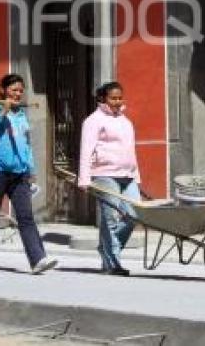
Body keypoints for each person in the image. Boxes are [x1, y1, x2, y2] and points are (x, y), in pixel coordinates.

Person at [0, 74, 58, 275]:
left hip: (19, 173)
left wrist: (30, 170)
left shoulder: (21, 113)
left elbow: (26, 143)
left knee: (25, 216)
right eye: (14, 89)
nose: (18, 93)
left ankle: (37, 259)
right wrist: (1, 113)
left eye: (21, 90)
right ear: (3, 90)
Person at [77, 81, 141, 276]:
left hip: (127, 175)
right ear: (103, 99)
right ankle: (111, 263)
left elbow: (131, 151)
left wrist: (136, 175)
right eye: (113, 98)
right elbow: (86, 150)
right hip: (104, 174)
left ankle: (107, 250)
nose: (117, 101)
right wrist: (84, 179)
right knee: (110, 219)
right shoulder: (93, 121)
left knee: (133, 215)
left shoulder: (125, 121)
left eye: (119, 97)